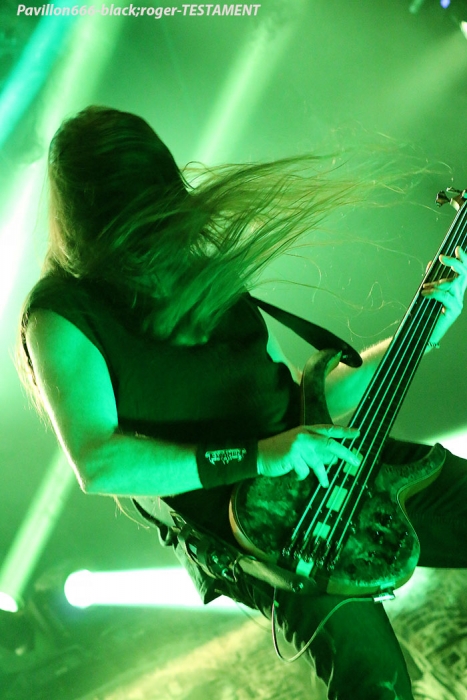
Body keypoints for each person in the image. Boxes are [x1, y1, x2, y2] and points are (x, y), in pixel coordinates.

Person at [18, 105, 467, 699]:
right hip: (251, 524)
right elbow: (99, 462)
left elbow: (304, 402)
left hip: (326, 465)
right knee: (374, 677)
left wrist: (423, 331)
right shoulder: (61, 314)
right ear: (88, 213)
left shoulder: (205, 273)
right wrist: (259, 455)